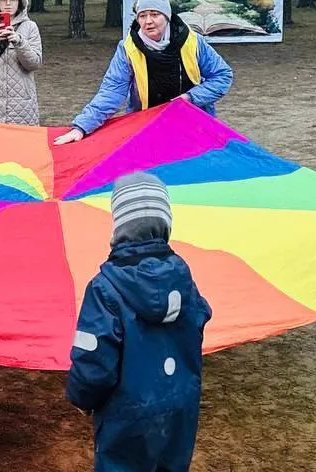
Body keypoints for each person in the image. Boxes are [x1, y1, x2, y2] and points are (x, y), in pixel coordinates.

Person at [66, 173, 213, 472]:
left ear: (118, 226)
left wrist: (82, 397)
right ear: (165, 224)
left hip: (126, 415)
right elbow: (200, 319)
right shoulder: (185, 279)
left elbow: (94, 358)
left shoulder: (105, 287)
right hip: (179, 408)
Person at [54, 0, 233, 145]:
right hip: (147, 127)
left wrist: (190, 98)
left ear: (167, 17)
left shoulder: (193, 42)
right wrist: (82, 127)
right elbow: (112, 91)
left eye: (155, 14)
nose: (148, 21)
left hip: (195, 125)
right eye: (142, 15)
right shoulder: (127, 48)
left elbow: (222, 75)